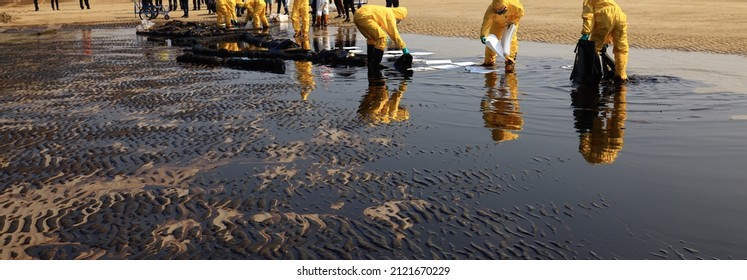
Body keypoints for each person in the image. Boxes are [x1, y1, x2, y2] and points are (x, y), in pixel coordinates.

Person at [571, 83, 627, 164]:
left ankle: (617, 86)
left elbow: (619, 119)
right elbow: (619, 119)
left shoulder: (613, 150)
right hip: (595, 131)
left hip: (597, 135)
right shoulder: (612, 151)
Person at [580, 0, 628, 83]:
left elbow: (588, 16)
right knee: (621, 48)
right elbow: (612, 16)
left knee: (594, 48)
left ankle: (592, 76)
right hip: (619, 14)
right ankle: (621, 76)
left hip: (604, 16)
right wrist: (606, 40)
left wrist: (586, 33)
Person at [353, 5, 408, 71]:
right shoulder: (390, 15)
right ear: (399, 15)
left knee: (371, 38)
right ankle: (376, 64)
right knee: (382, 37)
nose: (398, 21)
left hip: (357, 15)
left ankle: (370, 62)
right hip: (365, 17)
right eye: (399, 20)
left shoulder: (385, 11)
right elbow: (394, 34)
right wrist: (403, 48)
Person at [479, 0, 523, 73]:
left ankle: (510, 62)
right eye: (496, 11)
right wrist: (483, 35)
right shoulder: (491, 10)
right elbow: (486, 23)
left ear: (505, 7)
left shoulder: (515, 5)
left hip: (511, 21)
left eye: (500, 10)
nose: (498, 12)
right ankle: (489, 61)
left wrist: (513, 22)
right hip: (497, 23)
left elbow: (520, 13)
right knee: (491, 41)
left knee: (511, 40)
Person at [480, 72, 523, 142]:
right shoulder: (512, 123)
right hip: (505, 103)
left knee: (494, 87)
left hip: (498, 103)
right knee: (506, 88)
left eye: (498, 125)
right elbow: (519, 120)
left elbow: (484, 106)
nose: (499, 123)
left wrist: (487, 99)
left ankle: (503, 74)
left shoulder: (489, 121)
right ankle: (508, 73)